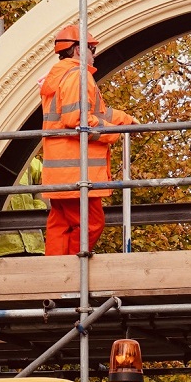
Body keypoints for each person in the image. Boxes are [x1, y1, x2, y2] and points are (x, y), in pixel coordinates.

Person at [40, 24, 135, 256]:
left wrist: (125, 120)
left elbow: (95, 113)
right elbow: (77, 120)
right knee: (92, 223)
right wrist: (113, 133)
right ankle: (72, 269)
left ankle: (54, 271)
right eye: (92, 49)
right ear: (78, 50)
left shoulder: (61, 76)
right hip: (76, 172)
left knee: (60, 224)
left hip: (60, 173)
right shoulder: (78, 75)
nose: (95, 54)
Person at [0, 152, 48, 257]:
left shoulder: (29, 162)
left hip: (34, 245)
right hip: (2, 249)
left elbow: (44, 188)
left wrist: (38, 210)